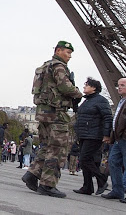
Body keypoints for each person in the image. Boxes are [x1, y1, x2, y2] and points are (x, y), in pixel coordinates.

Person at [22, 40, 82, 198]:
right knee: (58, 149)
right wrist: (78, 93)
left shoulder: (44, 66)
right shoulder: (59, 67)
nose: (69, 56)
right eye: (67, 53)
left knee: (47, 146)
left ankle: (32, 174)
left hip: (43, 113)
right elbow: (65, 87)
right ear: (58, 50)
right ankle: (48, 185)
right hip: (57, 113)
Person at [73, 77, 112, 195]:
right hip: (85, 134)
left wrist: (106, 134)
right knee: (86, 160)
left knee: (85, 159)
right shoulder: (87, 101)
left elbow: (107, 117)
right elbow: (78, 113)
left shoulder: (100, 101)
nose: (84, 86)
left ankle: (101, 179)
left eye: (87, 85)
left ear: (94, 88)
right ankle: (87, 186)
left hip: (94, 134)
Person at [101, 77, 126, 203]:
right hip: (119, 138)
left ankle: (119, 190)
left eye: (122, 85)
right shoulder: (122, 101)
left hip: (124, 137)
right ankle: (118, 190)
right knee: (113, 162)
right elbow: (117, 120)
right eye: (118, 85)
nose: (119, 87)